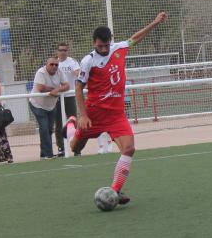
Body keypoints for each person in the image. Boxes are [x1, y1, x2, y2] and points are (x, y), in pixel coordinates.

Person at [63, 11, 168, 205]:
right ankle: (70, 124)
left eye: (106, 45)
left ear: (110, 40)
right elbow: (78, 88)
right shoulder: (88, 61)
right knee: (75, 147)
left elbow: (135, 38)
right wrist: (82, 115)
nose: (103, 49)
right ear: (94, 43)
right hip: (94, 115)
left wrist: (155, 22)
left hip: (116, 116)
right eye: (99, 46)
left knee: (129, 148)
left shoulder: (119, 48)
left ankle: (115, 190)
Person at [29, 56, 69, 159]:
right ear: (46, 65)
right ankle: (48, 154)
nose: (54, 66)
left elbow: (67, 86)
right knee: (44, 128)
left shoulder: (59, 72)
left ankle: (44, 154)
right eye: (51, 64)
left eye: (56, 65)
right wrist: (55, 89)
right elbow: (40, 88)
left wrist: (56, 90)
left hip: (51, 106)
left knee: (49, 129)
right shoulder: (41, 72)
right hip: (37, 105)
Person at [53, 42, 81, 157]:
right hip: (58, 97)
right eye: (61, 50)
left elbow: (78, 73)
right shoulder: (54, 63)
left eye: (65, 50)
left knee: (73, 121)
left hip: (69, 96)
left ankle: (77, 148)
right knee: (58, 123)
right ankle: (61, 148)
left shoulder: (72, 62)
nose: (63, 52)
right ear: (57, 51)